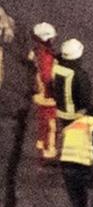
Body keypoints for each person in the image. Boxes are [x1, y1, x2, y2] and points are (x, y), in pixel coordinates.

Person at [25, 21, 58, 160]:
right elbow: (47, 76)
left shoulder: (36, 51)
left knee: (42, 121)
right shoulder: (46, 56)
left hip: (40, 92)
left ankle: (41, 143)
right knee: (51, 124)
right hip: (47, 95)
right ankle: (48, 150)